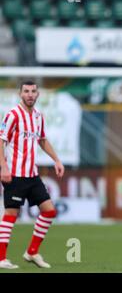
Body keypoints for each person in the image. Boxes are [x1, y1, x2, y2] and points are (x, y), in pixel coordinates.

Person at [0, 81, 65, 269]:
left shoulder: (38, 117)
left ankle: (32, 252)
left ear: (38, 94)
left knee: (49, 210)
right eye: (26, 91)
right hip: (14, 174)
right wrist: (3, 166)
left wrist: (57, 160)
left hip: (32, 175)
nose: (30, 94)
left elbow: (42, 140)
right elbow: (1, 140)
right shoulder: (13, 115)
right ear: (20, 94)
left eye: (33, 91)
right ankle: (2, 258)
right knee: (11, 213)